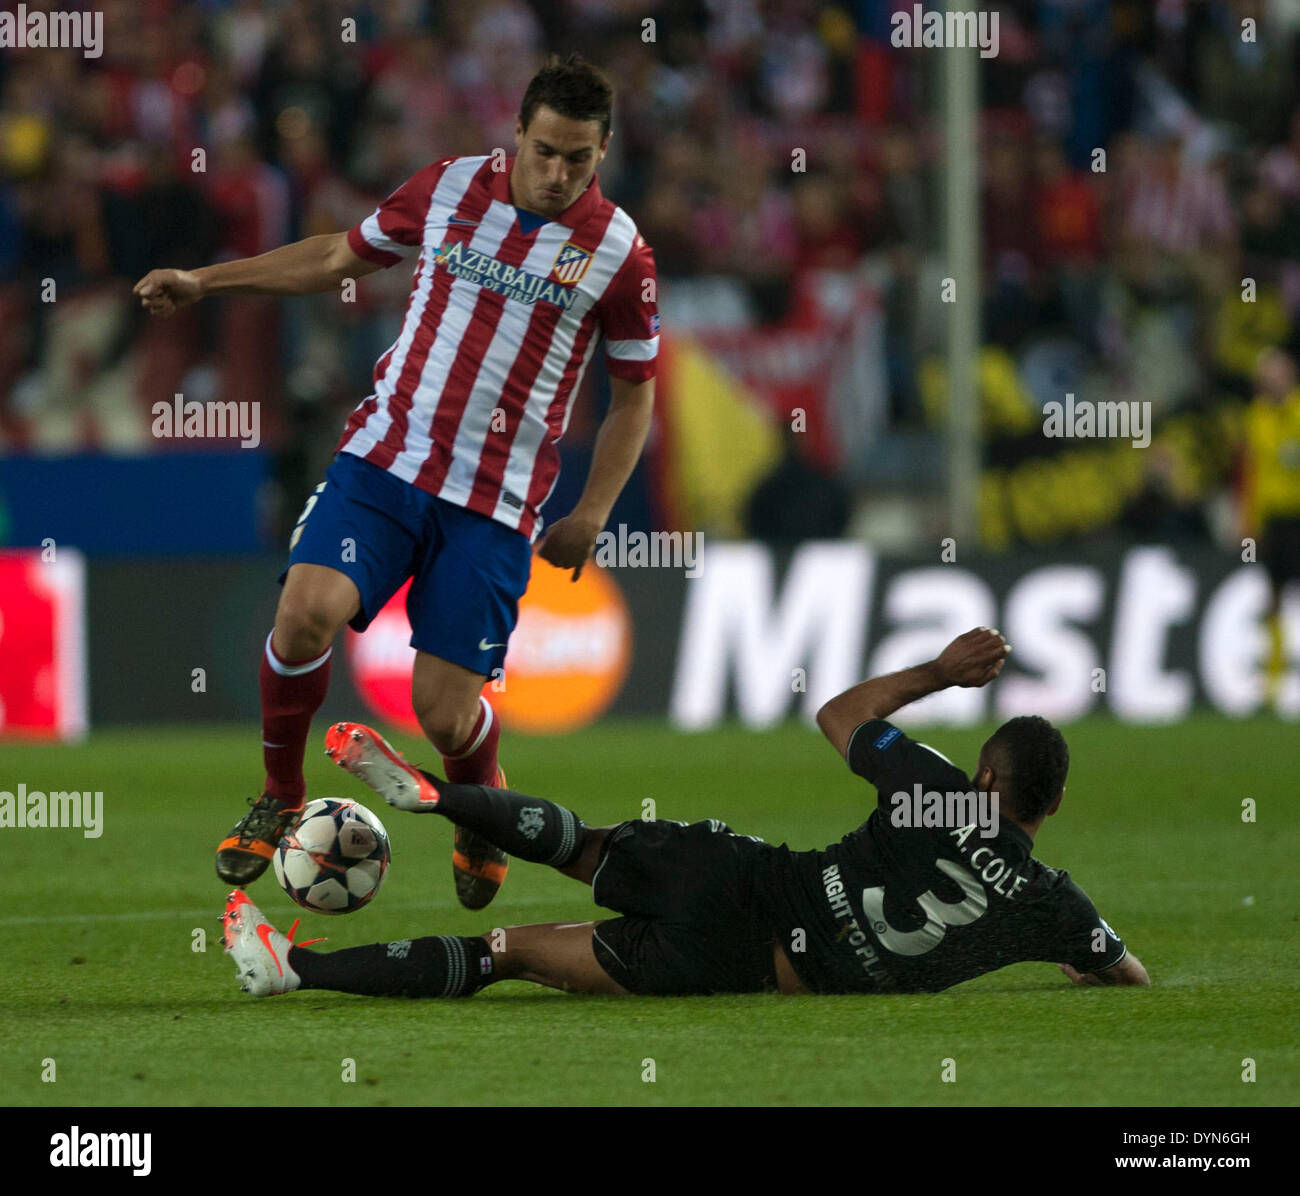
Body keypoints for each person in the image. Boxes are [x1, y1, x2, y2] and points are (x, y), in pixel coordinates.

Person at [133, 54, 659, 906]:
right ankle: (280, 793)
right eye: (547, 151)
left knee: (444, 717)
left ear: (603, 153)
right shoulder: (448, 188)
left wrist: (593, 509)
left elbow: (636, 395)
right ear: (516, 134)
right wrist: (206, 281)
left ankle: (478, 811)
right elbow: (337, 257)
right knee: (305, 615)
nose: (559, 173)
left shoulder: (620, 254)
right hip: (385, 461)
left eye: (580, 159)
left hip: (493, 504)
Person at [222, 627, 1149, 998]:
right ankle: (297, 969)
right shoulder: (1052, 905)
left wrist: (939, 674)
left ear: (986, 775)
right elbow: (1128, 976)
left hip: (747, 876)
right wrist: (1077, 955)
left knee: (581, 841)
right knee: (510, 953)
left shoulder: (940, 793)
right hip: (744, 964)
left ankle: (436, 796)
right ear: (1054, 803)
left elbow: (839, 716)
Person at [1241, 347, 1300, 705]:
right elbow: (1252, 472)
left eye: (1277, 373)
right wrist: (1249, 519)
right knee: (1274, 598)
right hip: (1276, 521)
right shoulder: (1256, 416)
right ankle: (1273, 684)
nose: (1271, 380)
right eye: (1266, 375)